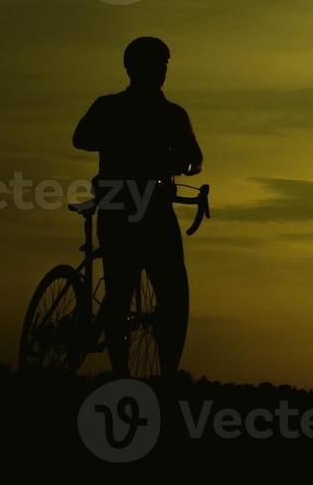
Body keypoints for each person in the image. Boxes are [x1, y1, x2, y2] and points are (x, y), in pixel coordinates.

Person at [72, 36, 202, 376]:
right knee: (121, 292)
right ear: (132, 69)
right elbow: (81, 138)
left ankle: (166, 374)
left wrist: (183, 164)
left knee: (170, 295)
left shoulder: (173, 115)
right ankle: (122, 374)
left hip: (152, 207)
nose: (158, 72)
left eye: (162, 65)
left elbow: (195, 159)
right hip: (120, 205)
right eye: (153, 65)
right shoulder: (110, 107)